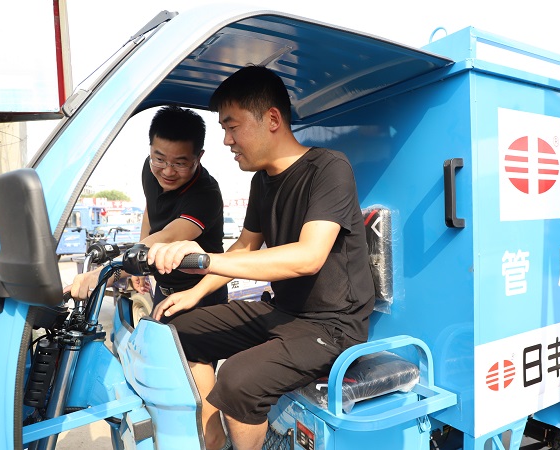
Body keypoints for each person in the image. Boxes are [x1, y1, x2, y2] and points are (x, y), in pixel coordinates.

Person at [147, 66, 375, 450]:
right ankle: (213, 436)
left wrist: (205, 260)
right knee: (176, 331)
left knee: (238, 379)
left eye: (232, 127)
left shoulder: (329, 168)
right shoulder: (261, 181)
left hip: (334, 325)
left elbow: (309, 256)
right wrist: (194, 294)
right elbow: (245, 247)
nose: (226, 140)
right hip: (284, 312)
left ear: (271, 119)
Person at [68, 105, 228, 313]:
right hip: (163, 289)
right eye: (159, 159)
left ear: (199, 156)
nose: (167, 171)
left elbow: (169, 237)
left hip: (201, 295)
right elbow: (150, 210)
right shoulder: (151, 170)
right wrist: (138, 263)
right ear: (151, 149)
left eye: (180, 163)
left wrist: (101, 275)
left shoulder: (206, 194)